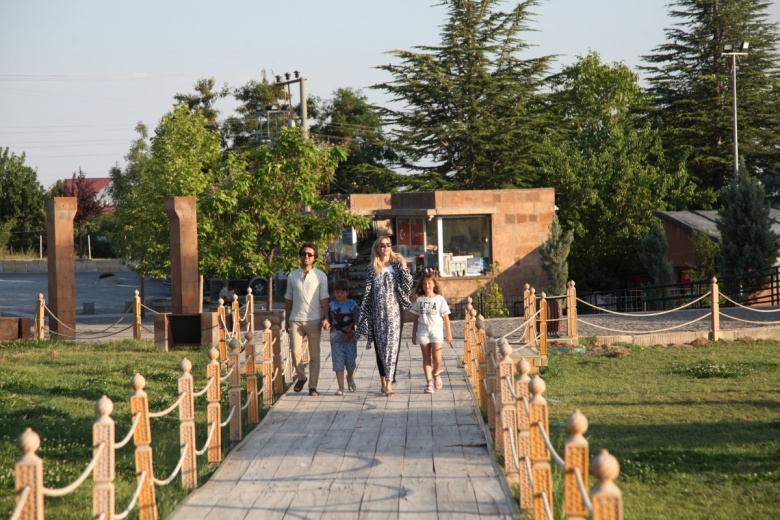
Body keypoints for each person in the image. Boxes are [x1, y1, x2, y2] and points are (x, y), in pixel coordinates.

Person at [356, 235, 413, 397]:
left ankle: (389, 383)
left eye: (389, 244)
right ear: (377, 248)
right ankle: (383, 381)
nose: (386, 247)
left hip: (394, 312)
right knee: (380, 348)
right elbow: (367, 293)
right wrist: (364, 316)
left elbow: (407, 287)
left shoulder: (396, 265)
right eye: (382, 245)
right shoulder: (371, 268)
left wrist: (404, 266)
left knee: (392, 347)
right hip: (377, 313)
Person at [285, 242, 330, 396]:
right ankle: (301, 377)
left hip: (314, 319)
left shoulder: (320, 276)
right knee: (295, 352)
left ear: (314, 258)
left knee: (314, 355)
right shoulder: (292, 275)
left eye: (310, 254)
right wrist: (286, 319)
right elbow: (289, 299)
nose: (306, 256)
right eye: (304, 253)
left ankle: (313, 386)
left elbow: (324, 298)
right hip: (295, 319)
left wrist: (327, 317)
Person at [411, 273, 453, 394]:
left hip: (436, 330)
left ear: (434, 284)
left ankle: (436, 373)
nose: (427, 285)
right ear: (422, 286)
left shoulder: (440, 299)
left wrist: (448, 333)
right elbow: (415, 318)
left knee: (437, 357)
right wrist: (414, 334)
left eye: (429, 283)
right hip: (423, 330)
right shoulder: (419, 300)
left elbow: (446, 318)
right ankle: (429, 382)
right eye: (424, 283)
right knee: (426, 357)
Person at [329, 278, 360, 396]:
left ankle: (350, 378)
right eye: (337, 292)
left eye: (342, 292)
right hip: (336, 341)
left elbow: (358, 320)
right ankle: (341, 388)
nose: (339, 294)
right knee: (338, 364)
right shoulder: (331, 305)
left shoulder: (353, 305)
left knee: (350, 364)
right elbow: (327, 319)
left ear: (347, 292)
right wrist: (326, 322)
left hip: (350, 340)